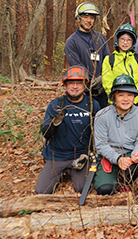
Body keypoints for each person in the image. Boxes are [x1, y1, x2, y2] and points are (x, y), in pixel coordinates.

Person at [36, 66, 99, 194]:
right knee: (41, 191)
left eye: (78, 83)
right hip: (57, 155)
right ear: (64, 85)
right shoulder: (55, 105)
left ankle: (75, 172)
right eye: (71, 83)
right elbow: (46, 134)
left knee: (82, 188)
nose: (74, 86)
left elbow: (99, 133)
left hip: (81, 155)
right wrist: (54, 123)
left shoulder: (92, 104)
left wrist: (91, 154)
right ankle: (59, 172)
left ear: (85, 84)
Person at [93, 74, 138, 195]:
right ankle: (111, 179)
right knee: (105, 189)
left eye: (129, 95)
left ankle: (126, 183)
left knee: (132, 171)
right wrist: (118, 159)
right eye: (121, 95)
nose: (126, 99)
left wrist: (137, 153)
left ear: (135, 96)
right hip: (109, 155)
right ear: (114, 97)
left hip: (130, 154)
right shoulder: (101, 115)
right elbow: (101, 144)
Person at [64, 2, 110, 108]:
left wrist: (103, 79)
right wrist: (91, 81)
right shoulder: (71, 41)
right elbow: (76, 65)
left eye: (92, 18)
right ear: (78, 18)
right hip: (83, 90)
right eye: (85, 17)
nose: (89, 21)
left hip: (103, 89)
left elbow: (107, 61)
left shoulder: (100, 38)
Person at [101, 23, 138, 108]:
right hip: (114, 103)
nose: (125, 42)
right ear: (117, 40)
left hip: (135, 103)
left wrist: (133, 99)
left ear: (133, 42)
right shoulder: (109, 59)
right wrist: (117, 99)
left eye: (129, 40)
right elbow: (107, 82)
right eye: (122, 39)